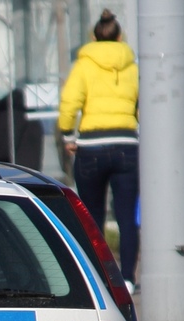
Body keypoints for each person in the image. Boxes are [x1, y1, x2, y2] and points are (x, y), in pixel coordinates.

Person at [58, 9, 140, 293]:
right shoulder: (132, 65)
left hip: (91, 146)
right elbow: (141, 104)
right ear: (120, 36)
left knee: (92, 216)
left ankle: (99, 278)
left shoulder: (84, 64)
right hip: (127, 145)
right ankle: (128, 278)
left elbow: (70, 102)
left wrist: (68, 134)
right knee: (127, 215)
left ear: (93, 36)